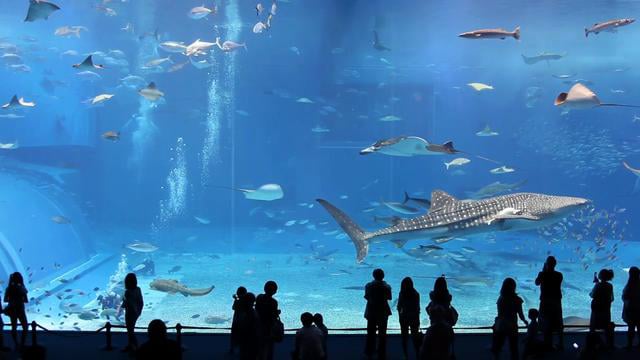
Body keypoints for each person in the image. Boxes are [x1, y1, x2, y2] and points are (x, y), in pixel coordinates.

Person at [491, 278, 527, 360]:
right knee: (513, 346)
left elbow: (499, 313)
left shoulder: (501, 298)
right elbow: (520, 313)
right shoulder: (517, 299)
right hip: (512, 325)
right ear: (514, 287)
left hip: (502, 324)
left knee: (499, 344)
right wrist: (525, 321)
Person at [535, 256, 564, 351]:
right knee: (558, 322)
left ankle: (548, 344)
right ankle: (560, 343)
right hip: (556, 301)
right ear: (555, 264)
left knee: (546, 322)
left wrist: (544, 270)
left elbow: (537, 283)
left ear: (546, 264)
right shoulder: (559, 275)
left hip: (545, 301)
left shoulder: (542, 274)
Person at [364, 268, 392, 359]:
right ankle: (382, 353)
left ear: (373, 276)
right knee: (382, 333)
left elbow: (367, 297)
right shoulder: (387, 287)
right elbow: (389, 297)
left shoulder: (368, 286)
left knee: (370, 333)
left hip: (371, 311)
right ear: (383, 276)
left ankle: (369, 352)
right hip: (383, 312)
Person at [118, 273, 144, 352]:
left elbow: (127, 303)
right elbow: (140, 301)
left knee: (130, 331)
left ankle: (136, 347)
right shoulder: (138, 289)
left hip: (130, 313)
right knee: (130, 330)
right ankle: (130, 345)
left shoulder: (128, 292)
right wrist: (138, 311)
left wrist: (122, 305)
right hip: (136, 312)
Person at [589, 269, 614, 349]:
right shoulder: (610, 286)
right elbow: (611, 298)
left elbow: (592, 295)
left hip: (597, 308)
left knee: (593, 325)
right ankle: (608, 343)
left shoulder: (598, 285)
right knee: (606, 325)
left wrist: (596, 285)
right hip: (606, 308)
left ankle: (592, 343)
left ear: (600, 276)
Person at [256, 280, 281, 360]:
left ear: (264, 288)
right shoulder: (274, 302)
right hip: (268, 327)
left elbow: (257, 309)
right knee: (269, 347)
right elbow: (273, 316)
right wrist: (277, 313)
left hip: (258, 325)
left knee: (259, 346)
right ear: (275, 291)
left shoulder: (259, 297)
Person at [397, 277, 421, 360]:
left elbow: (399, 306)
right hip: (414, 318)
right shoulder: (416, 293)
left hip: (404, 318)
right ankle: (417, 354)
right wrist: (418, 320)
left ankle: (405, 355)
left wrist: (400, 316)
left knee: (404, 337)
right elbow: (417, 308)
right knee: (415, 337)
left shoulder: (402, 293)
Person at [4, 272, 28, 350]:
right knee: (25, 327)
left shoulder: (8, 288)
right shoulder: (22, 288)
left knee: (14, 326)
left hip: (12, 309)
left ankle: (16, 344)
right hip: (20, 309)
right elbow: (26, 300)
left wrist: (12, 300)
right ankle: (22, 344)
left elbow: (5, 300)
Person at [237, 292, 260, 360]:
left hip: (244, 338)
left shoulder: (241, 312)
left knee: (243, 354)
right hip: (252, 338)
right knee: (251, 354)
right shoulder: (252, 312)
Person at [622, 266, 640, 349]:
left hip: (631, 309)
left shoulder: (630, 285)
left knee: (631, 327)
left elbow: (625, 297)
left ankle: (629, 345)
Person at [230, 286, 248, 354]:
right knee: (242, 336)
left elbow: (233, 307)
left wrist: (235, 299)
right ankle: (242, 349)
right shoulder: (246, 302)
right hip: (243, 322)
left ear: (237, 293)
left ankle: (232, 349)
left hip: (236, 321)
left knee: (234, 335)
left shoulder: (237, 301)